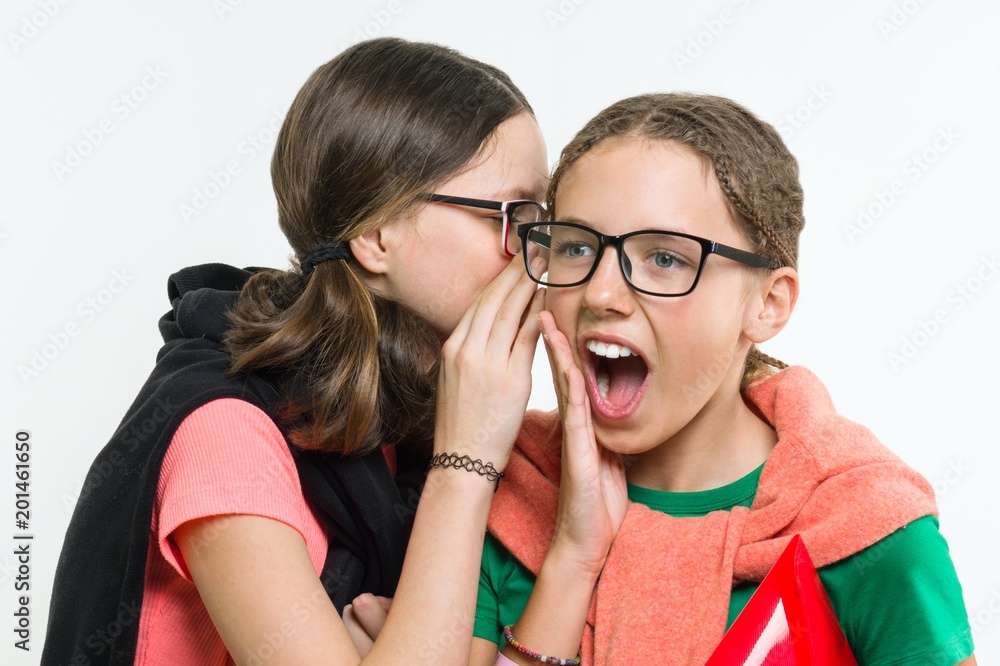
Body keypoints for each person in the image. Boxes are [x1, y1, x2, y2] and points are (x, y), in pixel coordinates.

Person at [42, 37, 549, 665]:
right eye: (512, 216)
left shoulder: (396, 415)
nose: (538, 250)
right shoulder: (223, 433)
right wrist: (465, 466)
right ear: (375, 235)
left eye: (545, 216)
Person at [464, 93, 976, 665]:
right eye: (577, 248)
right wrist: (570, 557)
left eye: (665, 258)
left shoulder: (867, 528)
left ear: (768, 303)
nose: (601, 294)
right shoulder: (501, 493)